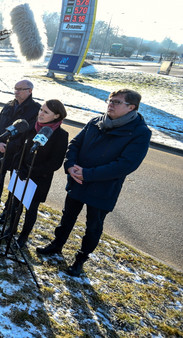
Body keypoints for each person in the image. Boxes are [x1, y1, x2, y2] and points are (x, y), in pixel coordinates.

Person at [36, 89, 151, 277]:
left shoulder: (140, 133)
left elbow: (125, 165)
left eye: (116, 102)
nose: (110, 104)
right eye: (110, 100)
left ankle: (80, 259)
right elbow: (75, 144)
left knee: (93, 226)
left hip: (103, 189)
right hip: (77, 181)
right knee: (67, 217)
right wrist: (70, 165)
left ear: (131, 107)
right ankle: (57, 245)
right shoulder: (96, 122)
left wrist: (87, 174)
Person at [7, 100, 68, 249]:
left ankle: (23, 237)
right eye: (41, 109)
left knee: (30, 209)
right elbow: (21, 149)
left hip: (39, 179)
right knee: (15, 204)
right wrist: (19, 167)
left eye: (46, 112)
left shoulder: (60, 135)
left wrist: (31, 171)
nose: (40, 113)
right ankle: (11, 229)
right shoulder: (32, 127)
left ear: (57, 115)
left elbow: (55, 163)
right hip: (21, 174)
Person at [0, 80, 41, 213]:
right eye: (15, 88)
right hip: (1, 151)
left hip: (18, 154)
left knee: (14, 183)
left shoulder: (36, 110)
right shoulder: (8, 105)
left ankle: (8, 210)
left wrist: (10, 146)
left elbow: (29, 133)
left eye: (20, 89)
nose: (16, 92)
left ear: (30, 91)